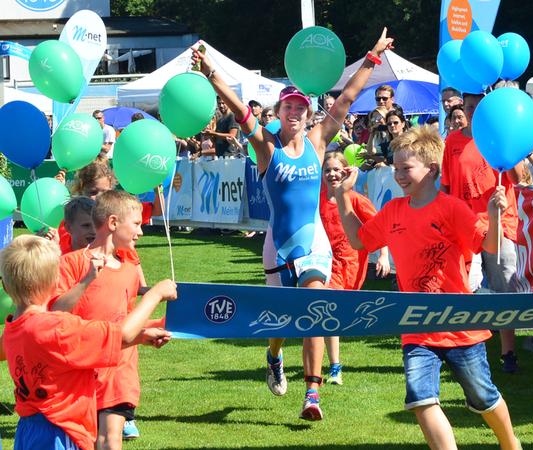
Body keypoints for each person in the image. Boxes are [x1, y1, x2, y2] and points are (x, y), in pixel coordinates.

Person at [192, 27, 394, 421]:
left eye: (301, 108)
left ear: (306, 113)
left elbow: (349, 97)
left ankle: (312, 394)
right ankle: (273, 355)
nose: (296, 113)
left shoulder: (320, 140)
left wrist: (372, 57)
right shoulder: (267, 147)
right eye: (289, 108)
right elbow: (238, 110)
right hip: (279, 245)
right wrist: (210, 72)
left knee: (314, 310)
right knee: (283, 319)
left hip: (314, 242)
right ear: (280, 114)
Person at [333, 126, 521, 450]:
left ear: (431, 169)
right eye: (395, 168)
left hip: (461, 325)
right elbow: (358, 239)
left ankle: (510, 443)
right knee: (421, 400)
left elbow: (487, 246)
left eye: (406, 168)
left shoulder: (451, 208)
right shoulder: (393, 211)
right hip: (417, 325)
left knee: (483, 396)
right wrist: (342, 197)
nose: (399, 175)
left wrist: (492, 213)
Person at [0, 235, 176, 450]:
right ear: (55, 282)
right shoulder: (56, 328)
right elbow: (123, 335)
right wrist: (154, 295)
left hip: (28, 430)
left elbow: (69, 351)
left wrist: (140, 337)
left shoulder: (13, 329)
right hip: (60, 430)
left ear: (6, 288)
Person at [49, 190, 168, 450]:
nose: (141, 232)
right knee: (85, 439)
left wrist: (153, 332)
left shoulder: (129, 270)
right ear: (113, 223)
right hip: (80, 371)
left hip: (119, 369)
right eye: (136, 224)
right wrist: (86, 280)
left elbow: (126, 322)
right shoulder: (70, 264)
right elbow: (55, 314)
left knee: (111, 438)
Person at [442, 93, 523, 374]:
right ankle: (466, 349)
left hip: (500, 223)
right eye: (469, 107)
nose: (474, 111)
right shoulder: (452, 142)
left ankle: (509, 352)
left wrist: (506, 148)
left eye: (479, 106)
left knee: (504, 288)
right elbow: (447, 186)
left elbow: (518, 178)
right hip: (464, 226)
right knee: (465, 287)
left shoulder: (499, 136)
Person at [320, 151, 390, 385]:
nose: (332, 174)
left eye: (336, 169)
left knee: (332, 314)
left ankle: (331, 365)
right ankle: (334, 367)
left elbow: (379, 227)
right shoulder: (316, 198)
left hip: (349, 264)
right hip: (323, 263)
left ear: (346, 171)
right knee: (326, 311)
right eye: (327, 170)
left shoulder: (356, 199)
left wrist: (383, 256)